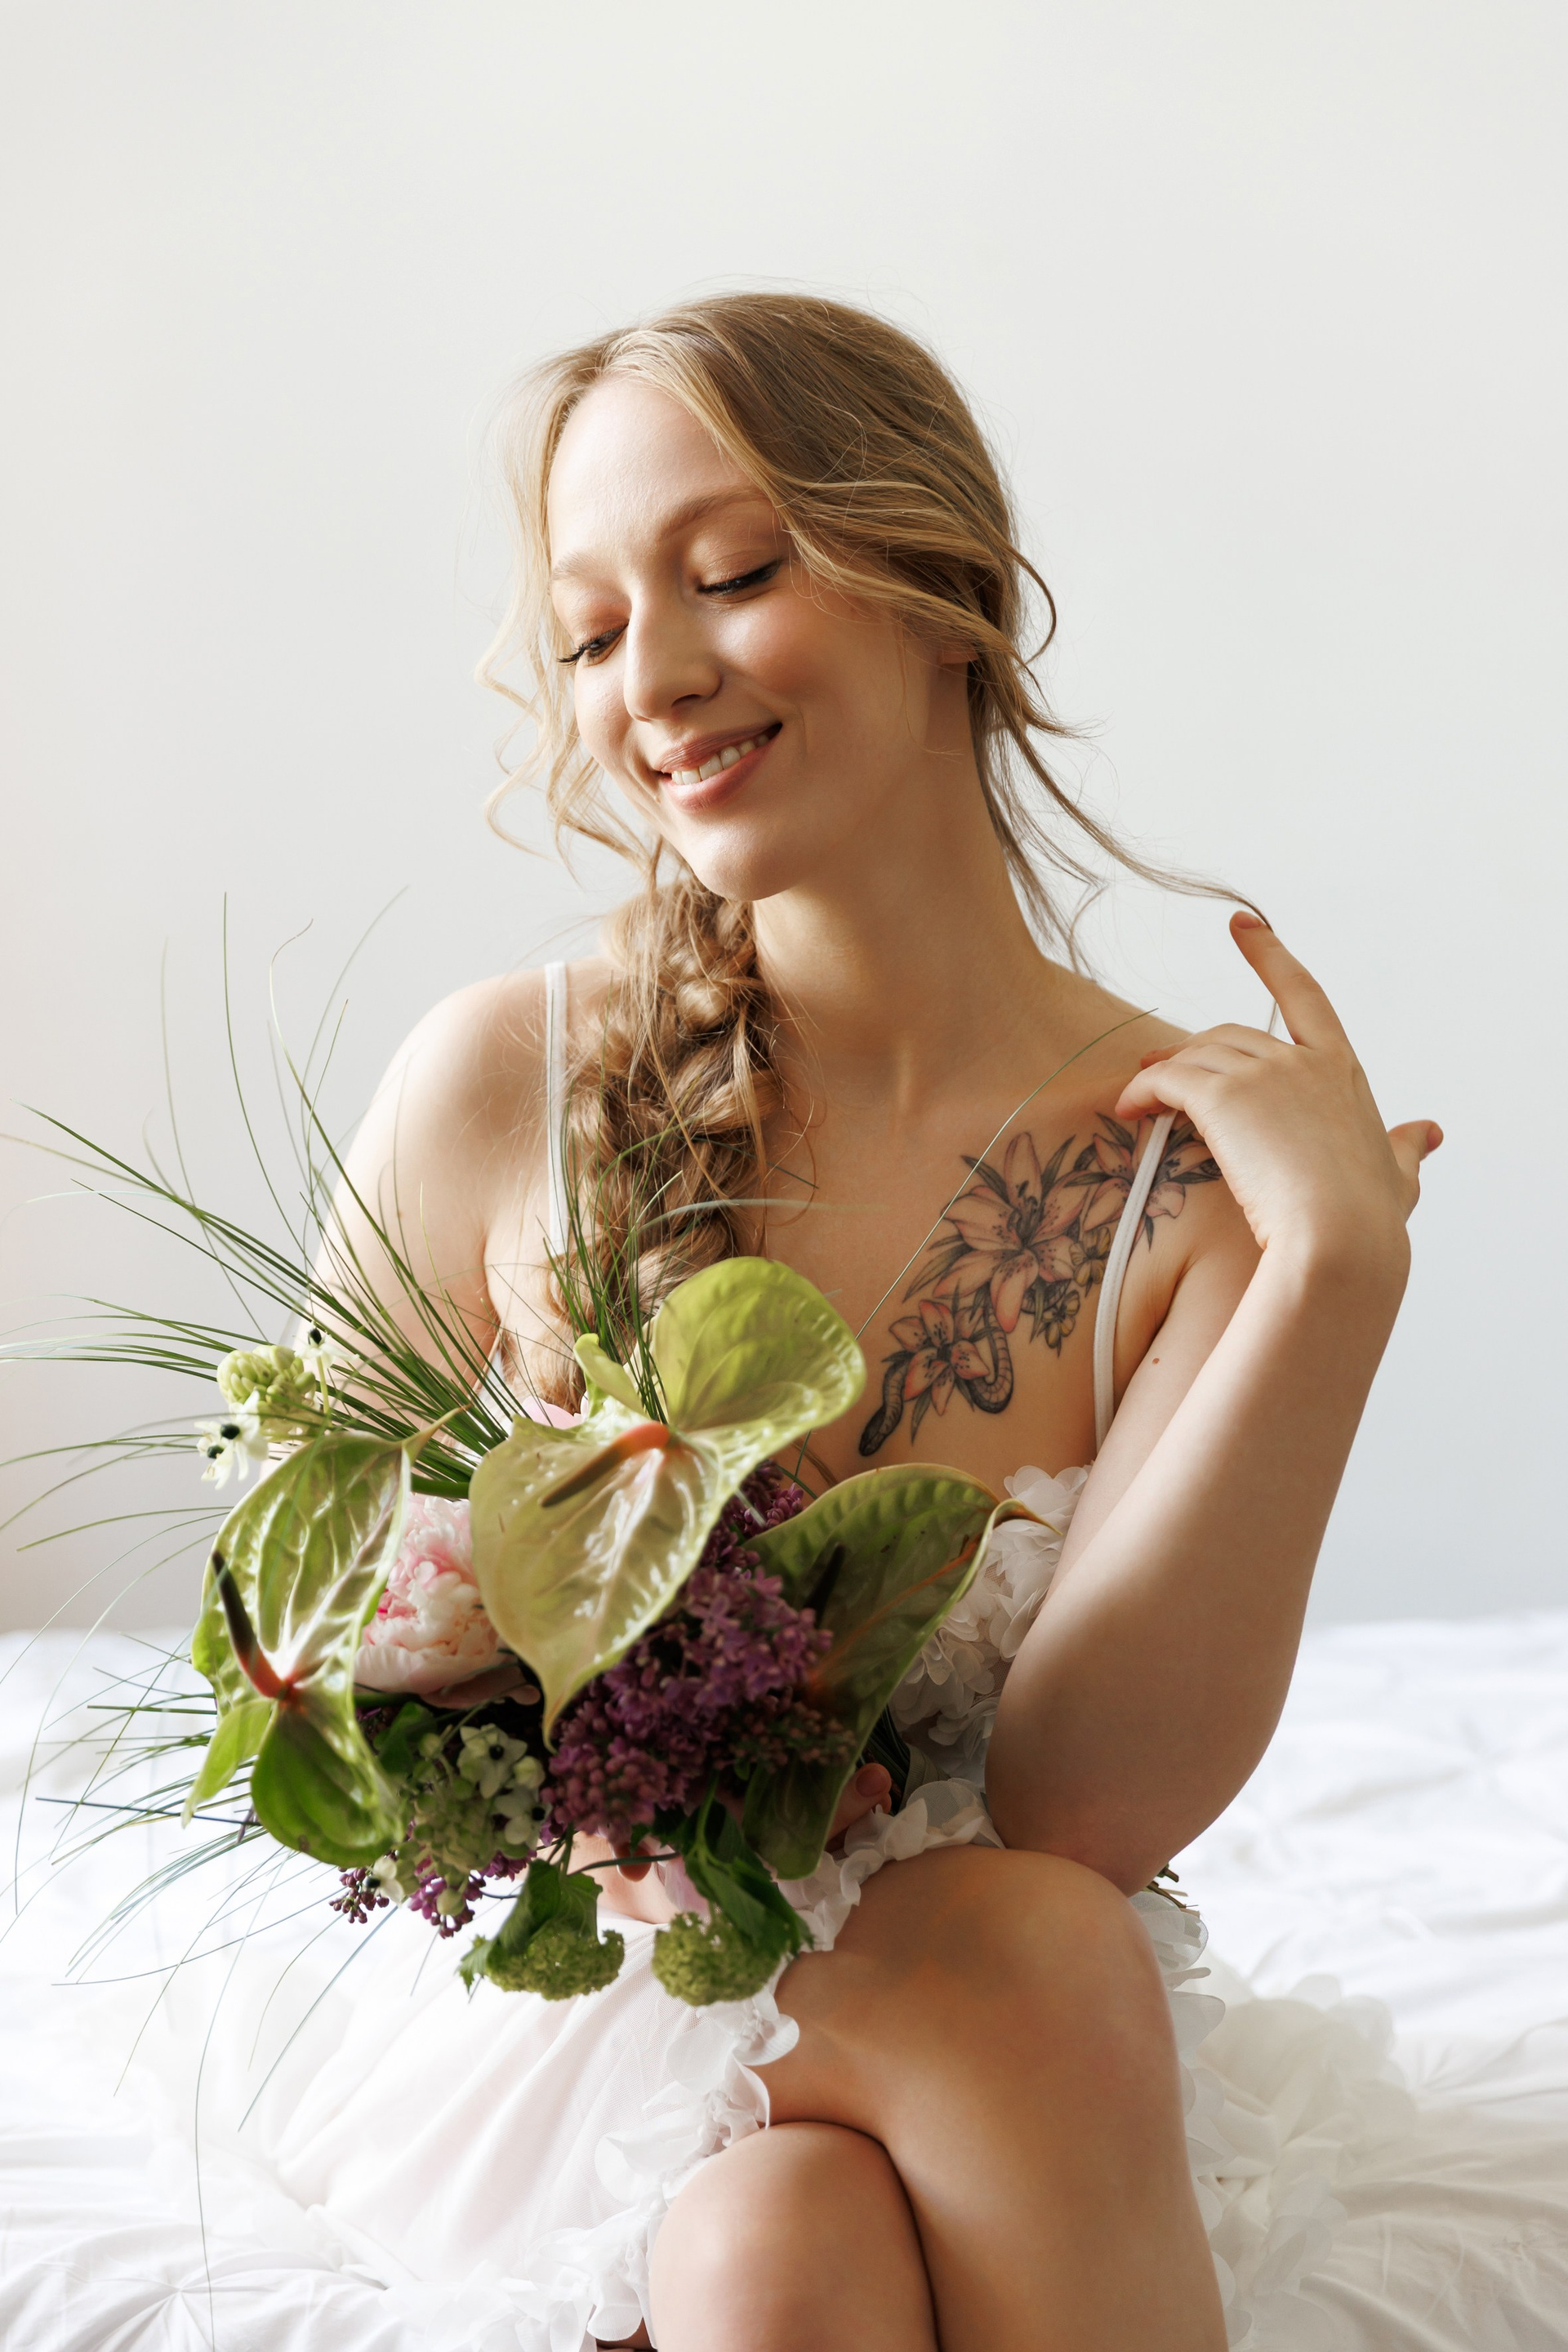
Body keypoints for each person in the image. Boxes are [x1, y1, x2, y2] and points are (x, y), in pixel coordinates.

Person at [301, 292, 1439, 2352]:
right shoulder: (501, 1088)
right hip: (604, 2005)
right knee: (1008, 1980)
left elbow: (1086, 1807)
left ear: (950, 595)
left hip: (1023, 2049)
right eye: (589, 632)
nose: (653, 678)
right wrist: (585, 1793)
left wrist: (1334, 1282)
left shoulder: (1181, 1172)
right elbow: (291, 1640)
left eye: (735, 574)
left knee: (786, 2244)